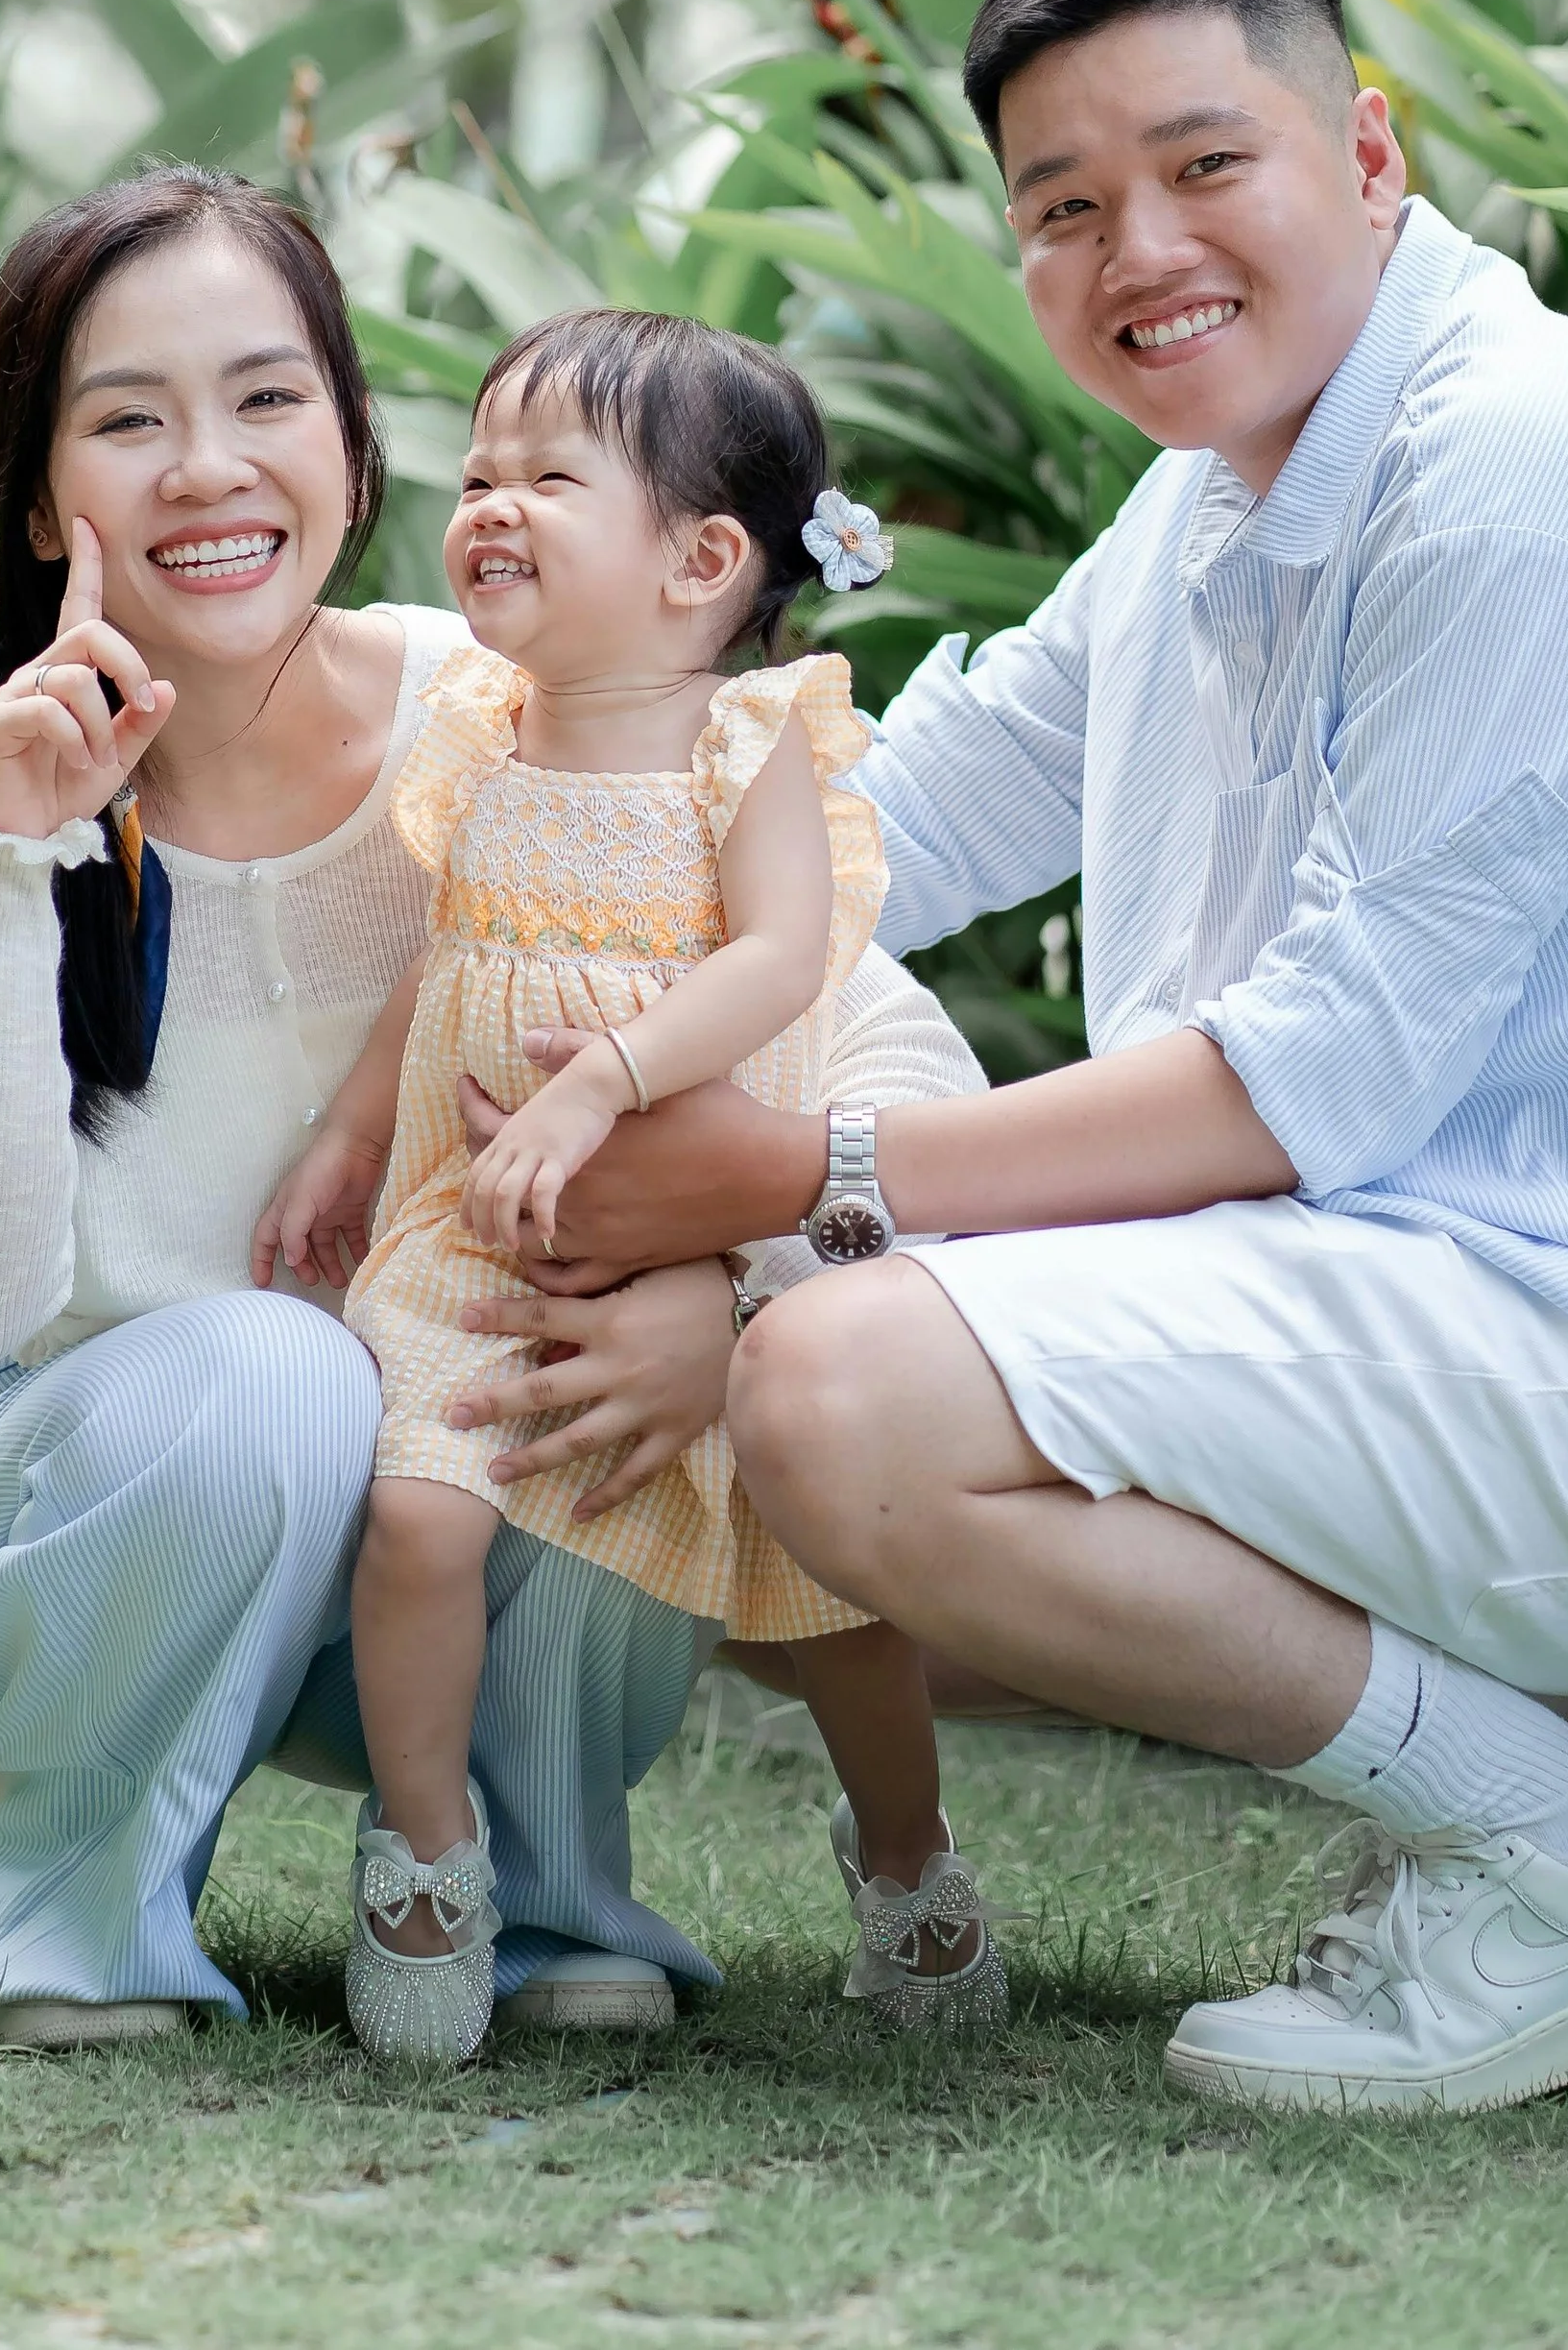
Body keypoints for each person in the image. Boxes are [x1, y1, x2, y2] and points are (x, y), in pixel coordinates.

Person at [502, 0, 1568, 2116]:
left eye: (1199, 166)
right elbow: (908, 817)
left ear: (1363, 153)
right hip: (1467, 1318)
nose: (1133, 249)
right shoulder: (1217, 497)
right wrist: (519, 971)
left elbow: (1310, 1077)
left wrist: (800, 1178)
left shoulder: (1525, 463)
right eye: (1062, 207)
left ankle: (1566, 1849)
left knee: (839, 1404)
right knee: (765, 1404)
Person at [0, 170, 986, 2049]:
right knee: (289, 1372)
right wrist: (13, 866)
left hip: (454, 1495)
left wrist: (736, 1290)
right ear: (44, 498)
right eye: (128, 420)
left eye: (266, 400)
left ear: (351, 451)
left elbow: (876, 1054)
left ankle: (532, 1895)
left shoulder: (527, 709)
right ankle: (78, 1910)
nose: (207, 468)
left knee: (566, 1332)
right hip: (93, 1519)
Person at [258, 312, 1002, 2061]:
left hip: (696, 1215)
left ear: (703, 560)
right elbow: (443, 953)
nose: (489, 505)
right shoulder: (480, 725)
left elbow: (783, 962)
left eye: (546, 477)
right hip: (481, 1221)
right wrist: (352, 1129)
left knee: (844, 1601)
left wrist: (604, 1077)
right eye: (479, 474)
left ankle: (904, 1854)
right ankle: (429, 1849)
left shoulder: (752, 748)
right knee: (425, 1512)